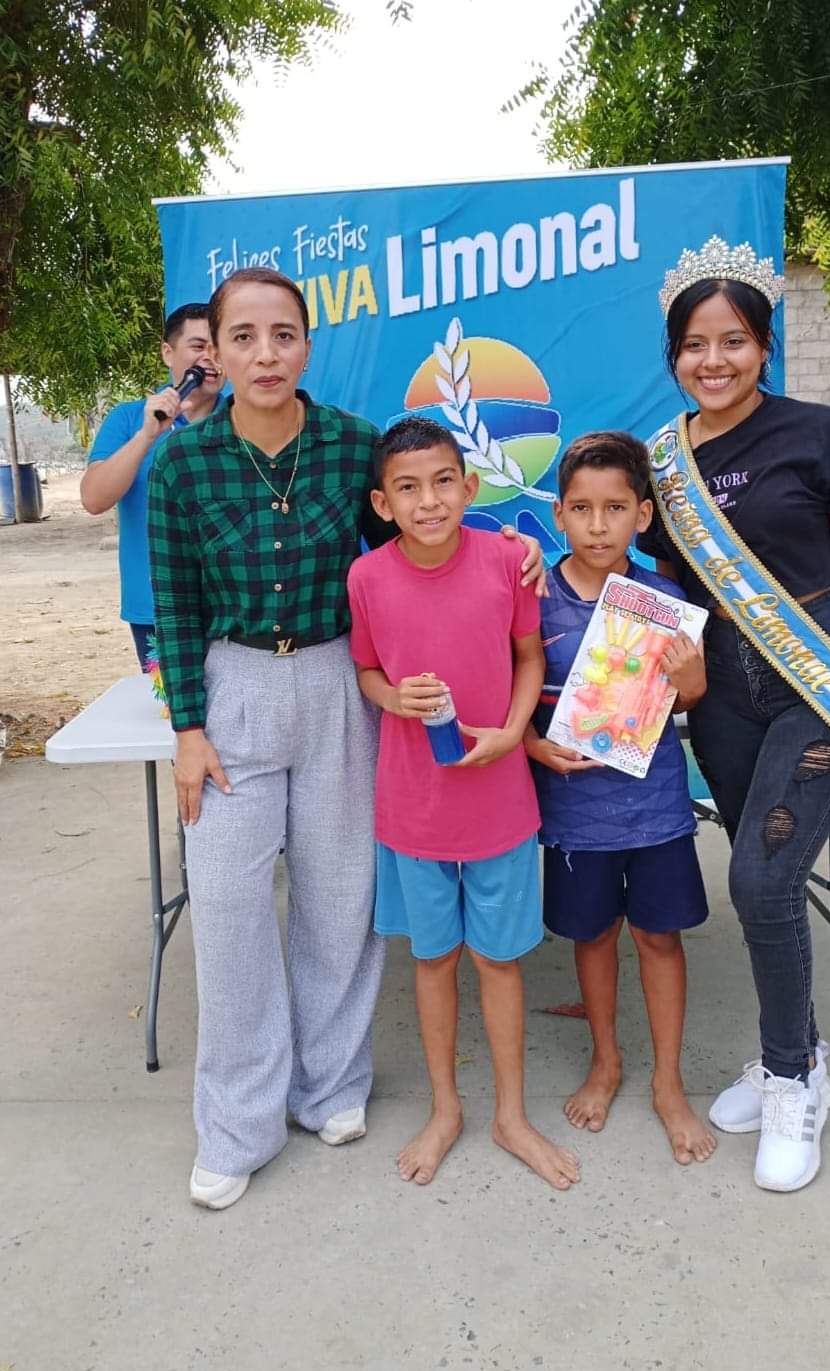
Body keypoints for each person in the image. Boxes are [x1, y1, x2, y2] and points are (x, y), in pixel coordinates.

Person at [147, 269, 545, 1210]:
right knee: (231, 909)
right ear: (216, 349)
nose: (265, 354)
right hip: (235, 686)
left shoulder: (351, 444)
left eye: (283, 334)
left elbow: (426, 529)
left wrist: (519, 546)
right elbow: (175, 602)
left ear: (307, 344)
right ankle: (237, 1125)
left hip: (338, 680)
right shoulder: (183, 463)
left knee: (337, 897)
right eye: (243, 337)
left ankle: (329, 1085)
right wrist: (189, 728)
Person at [638, 236, 830, 1193]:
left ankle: (791, 1082)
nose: (712, 360)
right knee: (760, 877)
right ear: (673, 355)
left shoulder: (818, 433)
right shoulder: (663, 463)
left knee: (761, 879)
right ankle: (793, 1053)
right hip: (726, 688)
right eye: (693, 344)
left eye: (732, 340)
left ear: (763, 347)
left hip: (821, 669)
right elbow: (669, 589)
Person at [347, 416, 579, 1193]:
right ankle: (445, 1108)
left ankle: (510, 1114)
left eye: (443, 481)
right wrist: (394, 698)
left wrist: (513, 731)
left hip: (499, 804)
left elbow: (528, 655)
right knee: (432, 958)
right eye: (408, 488)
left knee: (498, 960)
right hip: (412, 808)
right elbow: (366, 671)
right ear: (382, 503)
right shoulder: (367, 577)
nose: (429, 501)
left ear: (470, 486)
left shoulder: (508, 560)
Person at [524, 431, 714, 1165]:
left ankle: (668, 1081)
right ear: (559, 515)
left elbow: (688, 698)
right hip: (575, 815)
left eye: (614, 508)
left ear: (642, 515)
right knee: (594, 935)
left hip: (655, 808)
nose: (598, 525)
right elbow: (511, 694)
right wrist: (534, 746)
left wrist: (691, 680)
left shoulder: (665, 602)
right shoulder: (534, 598)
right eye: (581, 508)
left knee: (660, 938)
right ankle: (605, 1059)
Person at [81, 304, 223, 666]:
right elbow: (94, 499)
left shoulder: (244, 421)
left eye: (218, 347)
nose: (209, 358)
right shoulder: (129, 419)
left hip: (232, 608)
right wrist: (148, 435)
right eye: (198, 346)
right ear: (167, 353)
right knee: (170, 701)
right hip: (156, 609)